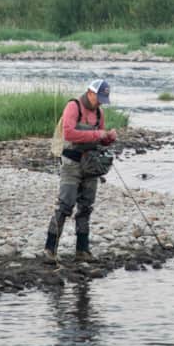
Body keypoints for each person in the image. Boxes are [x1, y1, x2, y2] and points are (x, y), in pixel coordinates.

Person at [43, 78, 118, 263]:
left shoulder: (99, 113)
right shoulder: (73, 106)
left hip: (90, 165)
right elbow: (69, 133)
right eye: (99, 98)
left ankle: (82, 251)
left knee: (86, 207)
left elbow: (99, 140)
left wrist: (108, 138)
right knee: (65, 205)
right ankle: (50, 249)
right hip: (71, 163)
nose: (100, 103)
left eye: (103, 100)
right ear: (90, 93)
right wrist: (97, 134)